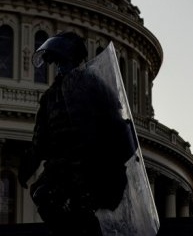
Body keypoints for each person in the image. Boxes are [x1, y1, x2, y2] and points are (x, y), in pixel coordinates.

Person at [18, 31, 134, 235]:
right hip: (62, 167)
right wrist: (27, 165)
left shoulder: (94, 87)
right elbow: (40, 140)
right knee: (43, 195)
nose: (59, 67)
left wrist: (114, 152)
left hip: (92, 164)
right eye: (57, 62)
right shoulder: (50, 97)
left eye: (63, 61)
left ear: (75, 59)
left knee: (83, 206)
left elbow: (115, 125)